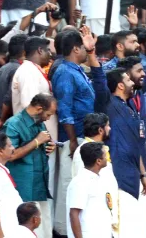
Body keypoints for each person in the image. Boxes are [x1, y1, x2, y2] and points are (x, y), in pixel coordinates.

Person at [50, 30, 96, 236]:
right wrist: (71, 141)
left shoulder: (76, 70)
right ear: (76, 48)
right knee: (70, 183)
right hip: (73, 136)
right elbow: (65, 109)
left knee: (79, 184)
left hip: (80, 136)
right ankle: (62, 229)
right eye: (84, 47)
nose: (87, 50)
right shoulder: (65, 73)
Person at [105, 67, 146, 237]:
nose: (133, 84)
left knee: (132, 224)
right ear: (120, 86)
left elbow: (136, 144)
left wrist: (143, 174)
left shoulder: (128, 107)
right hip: (119, 174)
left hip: (133, 172)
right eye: (129, 80)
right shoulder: (111, 107)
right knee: (121, 226)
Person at [4, 93, 57, 238]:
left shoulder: (40, 123)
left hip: (40, 186)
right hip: (24, 188)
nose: (49, 118)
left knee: (45, 230)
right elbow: (10, 155)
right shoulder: (13, 124)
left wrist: (49, 146)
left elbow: (42, 144)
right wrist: (36, 142)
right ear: (39, 109)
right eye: (48, 114)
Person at [70, 113, 118, 237]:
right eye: (108, 126)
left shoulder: (100, 150)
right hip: (91, 224)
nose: (110, 128)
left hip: (103, 219)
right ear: (100, 130)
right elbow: (77, 204)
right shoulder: (84, 152)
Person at [66, 142, 113, 238]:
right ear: (98, 161)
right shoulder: (80, 182)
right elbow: (74, 214)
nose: (107, 158)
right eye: (105, 156)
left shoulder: (99, 178)